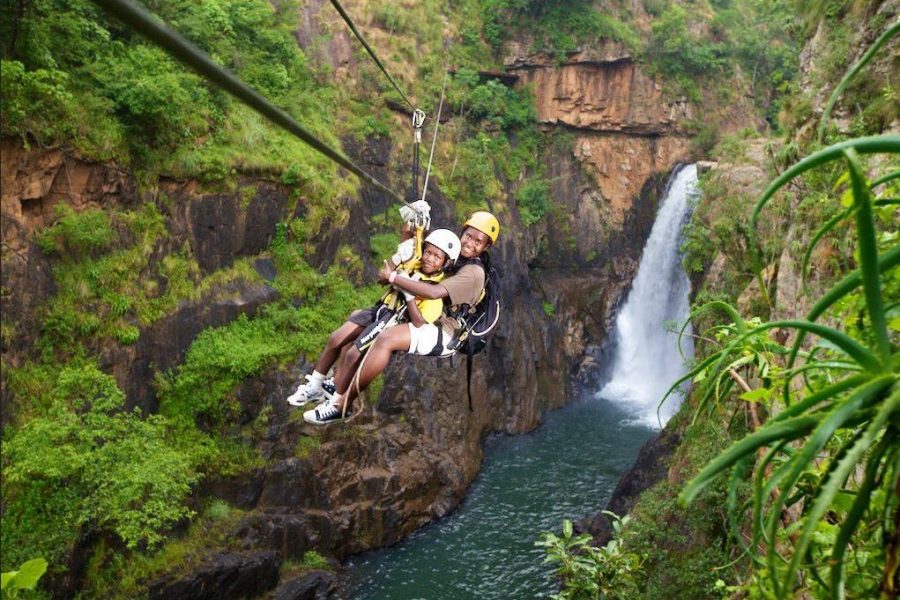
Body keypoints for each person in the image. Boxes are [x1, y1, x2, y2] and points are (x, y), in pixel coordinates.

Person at [303, 211, 499, 425]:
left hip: (445, 331)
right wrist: (413, 228)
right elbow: (418, 256)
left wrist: (395, 278)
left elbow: (433, 293)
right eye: (469, 235)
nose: (470, 243)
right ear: (463, 232)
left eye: (478, 241)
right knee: (359, 321)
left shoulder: (473, 273)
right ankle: (336, 382)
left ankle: (342, 405)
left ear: (486, 247)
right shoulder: (455, 254)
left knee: (386, 339)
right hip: (426, 313)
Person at [286, 227, 460, 406]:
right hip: (380, 309)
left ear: (446, 263)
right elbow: (382, 277)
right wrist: (398, 257)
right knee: (336, 338)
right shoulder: (414, 264)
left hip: (392, 318)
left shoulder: (434, 291)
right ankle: (314, 386)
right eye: (428, 252)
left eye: (436, 256)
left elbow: (418, 322)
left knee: (353, 354)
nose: (429, 258)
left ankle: (337, 401)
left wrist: (409, 295)